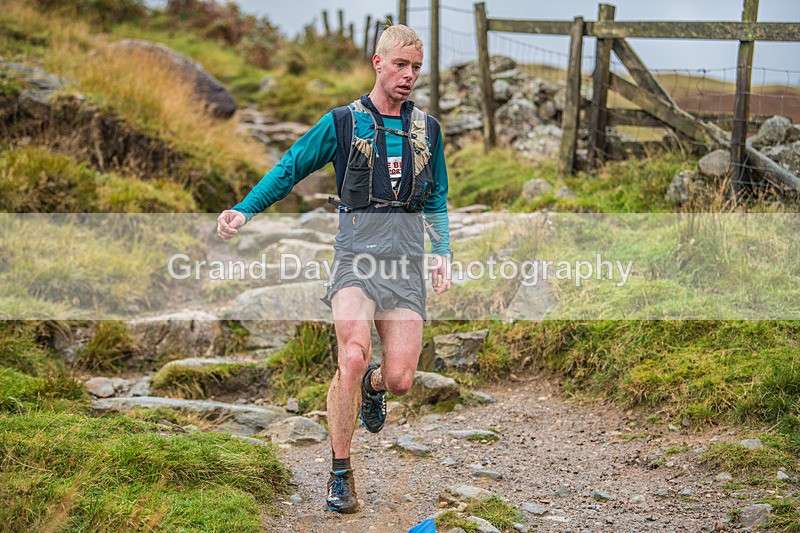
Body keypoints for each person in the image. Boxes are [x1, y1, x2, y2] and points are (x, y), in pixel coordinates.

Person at [216, 24, 452, 514]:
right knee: (353, 353)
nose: (408, 75)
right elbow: (291, 167)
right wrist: (245, 209)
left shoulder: (428, 130)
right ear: (378, 63)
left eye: (415, 67)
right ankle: (341, 472)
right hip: (355, 259)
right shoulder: (343, 123)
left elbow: (437, 198)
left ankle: (372, 386)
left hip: (406, 264)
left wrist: (442, 251)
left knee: (401, 379)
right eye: (400, 65)